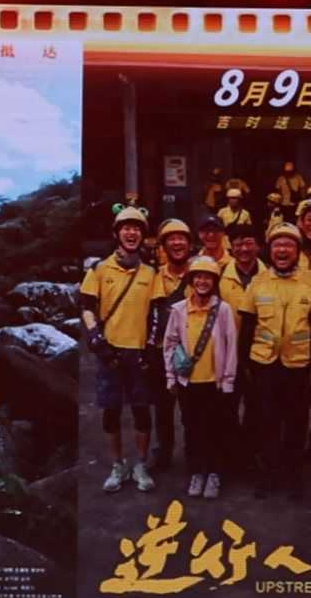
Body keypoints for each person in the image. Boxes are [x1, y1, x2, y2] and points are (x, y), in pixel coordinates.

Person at [82, 202, 170, 497]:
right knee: (111, 411)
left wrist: (151, 347)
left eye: (136, 229)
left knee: (142, 410)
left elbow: (157, 312)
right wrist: (96, 338)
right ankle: (117, 465)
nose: (131, 233)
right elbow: (87, 306)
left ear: (142, 235)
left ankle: (141, 464)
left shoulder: (150, 273)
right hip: (110, 351)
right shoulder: (99, 269)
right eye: (126, 228)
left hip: (139, 352)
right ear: (116, 233)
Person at [242, 221, 311, 493]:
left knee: (296, 422)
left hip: (298, 365)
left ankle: (293, 474)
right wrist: (245, 364)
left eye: (289, 245)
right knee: (267, 421)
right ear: (270, 250)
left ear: (297, 251)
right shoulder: (258, 282)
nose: (283, 250)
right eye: (278, 245)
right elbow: (248, 325)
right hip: (264, 363)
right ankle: (268, 473)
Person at [158, 257, 245, 503]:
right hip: (188, 382)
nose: (202, 281)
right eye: (198, 277)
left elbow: (231, 346)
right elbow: (170, 344)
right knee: (192, 427)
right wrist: (170, 377)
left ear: (214, 281)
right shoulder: (179, 310)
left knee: (216, 428)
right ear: (191, 280)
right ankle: (196, 472)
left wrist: (228, 380)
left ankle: (215, 473)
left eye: (207, 277)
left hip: (214, 382)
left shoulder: (223, 310)